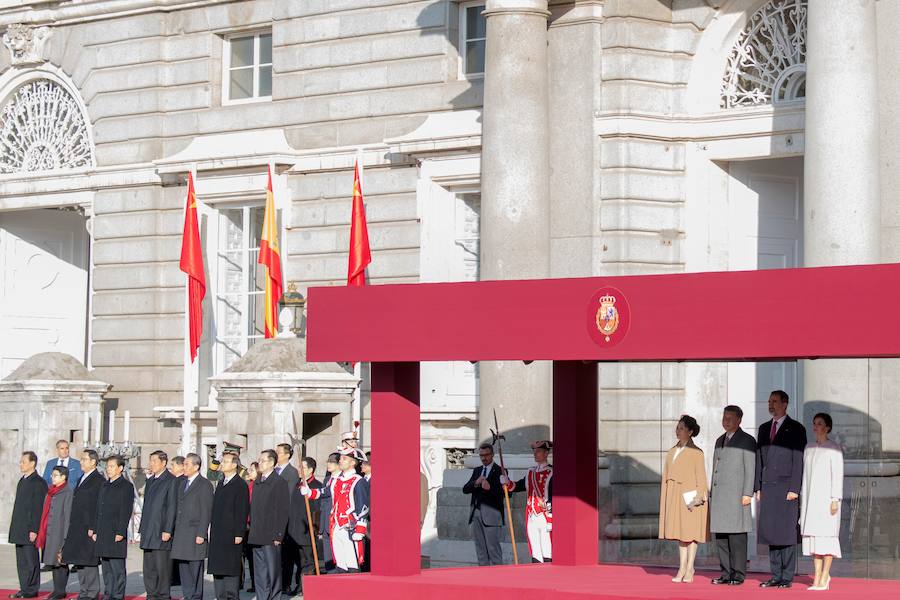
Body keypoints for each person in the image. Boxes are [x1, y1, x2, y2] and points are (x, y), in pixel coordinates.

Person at [756, 390, 807, 589]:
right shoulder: (763, 428)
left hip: (787, 488)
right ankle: (775, 575)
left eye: (775, 401)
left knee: (786, 534)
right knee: (770, 533)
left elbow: (798, 460)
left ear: (785, 404)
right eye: (769, 401)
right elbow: (759, 459)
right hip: (768, 487)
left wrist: (795, 487)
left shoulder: (796, 428)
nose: (771, 405)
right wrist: (757, 486)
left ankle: (787, 576)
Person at [300, 447, 369, 573]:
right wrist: (310, 492)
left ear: (353, 462)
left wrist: (360, 528)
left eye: (344, 458)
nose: (340, 461)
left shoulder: (358, 481)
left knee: (352, 563)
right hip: (336, 526)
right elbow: (325, 492)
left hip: (350, 527)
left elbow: (363, 506)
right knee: (340, 563)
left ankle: (354, 591)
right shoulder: (337, 480)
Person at [709, 405, 757, 586]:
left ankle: (738, 574)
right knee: (721, 538)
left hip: (737, 495)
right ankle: (726, 572)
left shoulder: (747, 440)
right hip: (721, 497)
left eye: (730, 418)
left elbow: (750, 468)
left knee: (736, 538)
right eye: (724, 417)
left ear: (739, 420)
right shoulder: (719, 440)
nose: (726, 421)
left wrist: (747, 493)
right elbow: (715, 468)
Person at [658, 415, 708, 583]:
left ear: (690, 431)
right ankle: (682, 567)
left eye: (681, 428)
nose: (677, 431)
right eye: (677, 427)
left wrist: (699, 497)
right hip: (674, 494)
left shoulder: (696, 452)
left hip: (690, 495)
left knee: (691, 533)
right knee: (681, 533)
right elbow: (666, 475)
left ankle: (689, 568)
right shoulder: (672, 451)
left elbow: (701, 476)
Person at [800, 412, 843, 591]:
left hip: (827, 501)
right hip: (811, 501)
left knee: (826, 538)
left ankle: (825, 576)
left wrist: (835, 498)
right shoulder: (808, 447)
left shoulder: (834, 448)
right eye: (814, 423)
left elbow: (837, 474)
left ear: (827, 427)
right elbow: (805, 477)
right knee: (814, 539)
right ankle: (817, 576)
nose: (816, 426)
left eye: (819, 424)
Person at [62, 449, 104, 600]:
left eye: (84, 459)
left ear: (93, 461)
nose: (81, 461)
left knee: (89, 561)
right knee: (79, 560)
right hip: (77, 526)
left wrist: (94, 527)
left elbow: (98, 506)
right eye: (81, 459)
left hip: (88, 527)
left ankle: (92, 592)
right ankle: (84, 591)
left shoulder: (98, 480)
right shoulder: (82, 478)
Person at [502, 440, 554, 563]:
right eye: (534, 452)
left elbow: (556, 494)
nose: (535, 454)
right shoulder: (530, 472)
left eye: (539, 451)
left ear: (546, 454)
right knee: (535, 549)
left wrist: (548, 506)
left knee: (547, 547)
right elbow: (517, 486)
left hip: (545, 515)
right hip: (531, 515)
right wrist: (507, 481)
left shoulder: (552, 472)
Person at [91, 455, 135, 600]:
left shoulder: (126, 486)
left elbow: (126, 510)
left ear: (120, 468)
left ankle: (117, 595)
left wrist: (121, 531)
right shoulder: (104, 485)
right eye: (107, 466)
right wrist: (95, 529)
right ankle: (108, 593)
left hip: (115, 531)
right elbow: (98, 509)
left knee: (117, 568)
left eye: (111, 466)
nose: (108, 469)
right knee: (106, 567)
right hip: (103, 531)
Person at [171, 453, 214, 600]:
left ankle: (195, 596)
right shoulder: (182, 483)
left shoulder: (204, 484)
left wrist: (201, 533)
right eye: (184, 464)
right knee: (184, 568)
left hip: (195, 532)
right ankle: (187, 595)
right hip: (181, 532)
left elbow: (206, 510)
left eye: (188, 464)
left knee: (195, 568)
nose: (185, 466)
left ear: (196, 466)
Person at [248, 449, 289, 600]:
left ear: (272, 462)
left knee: (273, 570)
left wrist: (279, 534)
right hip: (257, 532)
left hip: (271, 534)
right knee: (259, 571)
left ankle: (275, 596)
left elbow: (282, 510)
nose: (260, 463)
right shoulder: (258, 481)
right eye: (259, 461)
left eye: (263, 461)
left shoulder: (279, 482)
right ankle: (262, 596)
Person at [208, 452, 250, 600]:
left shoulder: (240, 485)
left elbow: (242, 510)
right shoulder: (221, 482)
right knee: (218, 570)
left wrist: (239, 533)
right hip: (218, 533)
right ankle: (220, 596)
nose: (222, 464)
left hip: (231, 533)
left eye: (225, 462)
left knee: (230, 570)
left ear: (234, 465)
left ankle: (232, 596)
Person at [9, 451, 49, 599]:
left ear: (32, 463)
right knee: (22, 562)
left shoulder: (38, 482)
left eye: (23, 462)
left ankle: (31, 589)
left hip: (29, 529)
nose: (21, 464)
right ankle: (24, 588)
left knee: (31, 560)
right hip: (19, 528)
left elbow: (38, 508)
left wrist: (34, 529)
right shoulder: (22, 480)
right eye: (20, 462)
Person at [140, 450, 177, 600]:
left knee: (162, 567)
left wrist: (168, 529)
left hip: (161, 530)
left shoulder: (170, 480)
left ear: (163, 463)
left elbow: (172, 506)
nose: (151, 464)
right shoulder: (150, 480)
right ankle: (151, 594)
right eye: (151, 461)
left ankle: (163, 595)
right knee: (149, 567)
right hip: (148, 530)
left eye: (154, 461)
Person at [463, 443, 505, 566]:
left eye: (486, 455)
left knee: (494, 550)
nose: (483, 458)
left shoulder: (500, 471)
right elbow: (465, 489)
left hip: (492, 516)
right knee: (480, 550)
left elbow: (505, 494)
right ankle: (483, 578)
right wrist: (476, 483)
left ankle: (498, 579)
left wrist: (489, 488)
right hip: (476, 514)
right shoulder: (477, 470)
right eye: (481, 455)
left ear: (492, 454)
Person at [37, 465, 73, 600]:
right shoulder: (51, 491)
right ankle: (56, 590)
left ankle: (60, 590)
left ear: (63, 477)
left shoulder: (67, 492)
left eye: (56, 475)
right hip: (49, 532)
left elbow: (67, 516)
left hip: (59, 533)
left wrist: (65, 538)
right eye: (52, 475)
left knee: (61, 563)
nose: (53, 477)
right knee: (52, 563)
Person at [288, 457, 322, 592]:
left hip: (307, 531)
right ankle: (299, 584)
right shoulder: (297, 484)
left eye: (302, 467)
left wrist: (314, 529)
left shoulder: (316, 486)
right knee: (298, 560)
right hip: (294, 530)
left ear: (310, 470)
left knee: (307, 561)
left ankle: (307, 587)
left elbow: (316, 512)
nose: (299, 470)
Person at [274, 443, 300, 595]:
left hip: (285, 517)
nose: (276, 455)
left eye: (279, 452)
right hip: (271, 517)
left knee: (287, 555)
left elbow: (289, 497)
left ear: (286, 455)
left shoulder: (291, 472)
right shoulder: (273, 471)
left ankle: (286, 583)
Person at [318, 453, 340, 573]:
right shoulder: (327, 479)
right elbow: (323, 504)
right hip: (326, 524)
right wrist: (321, 528)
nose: (329, 464)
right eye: (328, 461)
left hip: (336, 523)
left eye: (332, 462)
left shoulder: (342, 479)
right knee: (328, 559)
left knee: (338, 558)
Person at [242, 462, 258, 592]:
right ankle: (252, 582)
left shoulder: (257, 486)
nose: (249, 472)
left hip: (253, 525)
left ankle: (256, 582)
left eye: (252, 470)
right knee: (249, 556)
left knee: (254, 557)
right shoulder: (249, 485)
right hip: (247, 525)